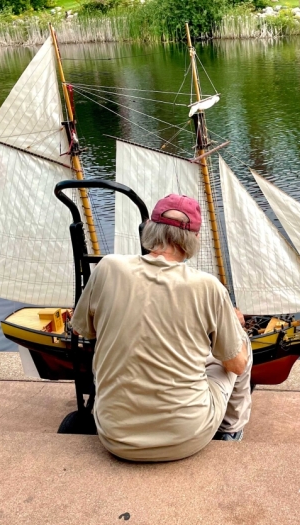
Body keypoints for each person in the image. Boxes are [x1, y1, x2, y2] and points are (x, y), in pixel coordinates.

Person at [71, 194, 253, 462]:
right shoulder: (208, 286)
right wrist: (232, 324)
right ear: (193, 239)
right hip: (187, 437)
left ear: (150, 228)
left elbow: (82, 331)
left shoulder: (107, 267)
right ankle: (231, 431)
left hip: (115, 437)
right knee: (240, 347)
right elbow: (236, 366)